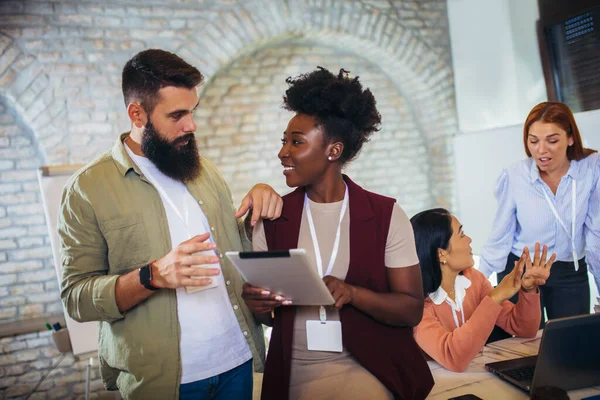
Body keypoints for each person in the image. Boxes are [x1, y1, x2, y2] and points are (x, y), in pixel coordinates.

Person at [59, 49, 283, 400]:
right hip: (162, 382)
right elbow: (76, 299)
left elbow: (235, 250)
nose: (191, 125)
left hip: (239, 364)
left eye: (192, 112)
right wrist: (152, 275)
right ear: (137, 114)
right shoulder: (87, 190)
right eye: (177, 115)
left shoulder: (205, 171)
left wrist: (260, 199)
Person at [241, 67, 434, 400]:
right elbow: (270, 319)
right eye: (284, 141)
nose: (283, 152)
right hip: (292, 372)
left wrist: (353, 294)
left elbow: (410, 309)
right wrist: (257, 303)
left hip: (368, 367)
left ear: (333, 150)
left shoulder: (386, 216)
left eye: (296, 141)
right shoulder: (272, 219)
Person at [479, 101, 600, 323]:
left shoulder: (591, 169)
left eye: (552, 141)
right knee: (522, 345)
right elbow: (500, 236)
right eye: (533, 141)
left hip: (570, 272)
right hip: (520, 271)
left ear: (570, 138)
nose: (541, 150)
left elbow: (596, 233)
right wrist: (476, 285)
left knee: (571, 345)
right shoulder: (515, 176)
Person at [411, 208, 554, 372]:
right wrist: (494, 298)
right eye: (462, 234)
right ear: (441, 254)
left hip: (478, 376)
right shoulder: (417, 306)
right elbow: (453, 357)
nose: (470, 240)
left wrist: (529, 290)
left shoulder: (474, 280)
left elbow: (524, 328)